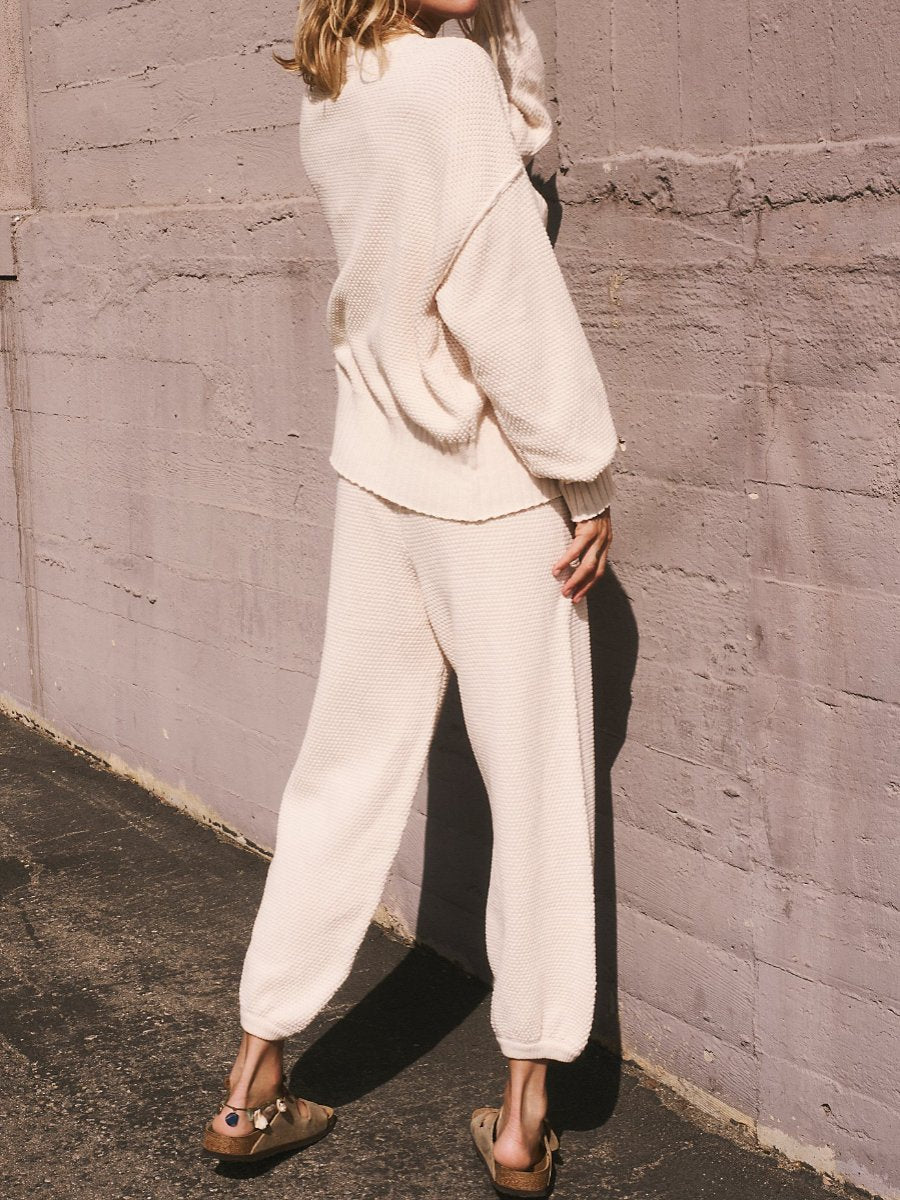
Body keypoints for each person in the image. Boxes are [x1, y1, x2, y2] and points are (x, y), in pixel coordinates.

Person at [202, 0, 622, 1193]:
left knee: (343, 766)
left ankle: (249, 1085)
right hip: (489, 486)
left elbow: (513, 138)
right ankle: (521, 1120)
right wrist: (584, 473)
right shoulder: (447, 84)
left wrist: (491, 37)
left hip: (377, 471)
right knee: (537, 788)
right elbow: (503, 282)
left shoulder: (336, 88)